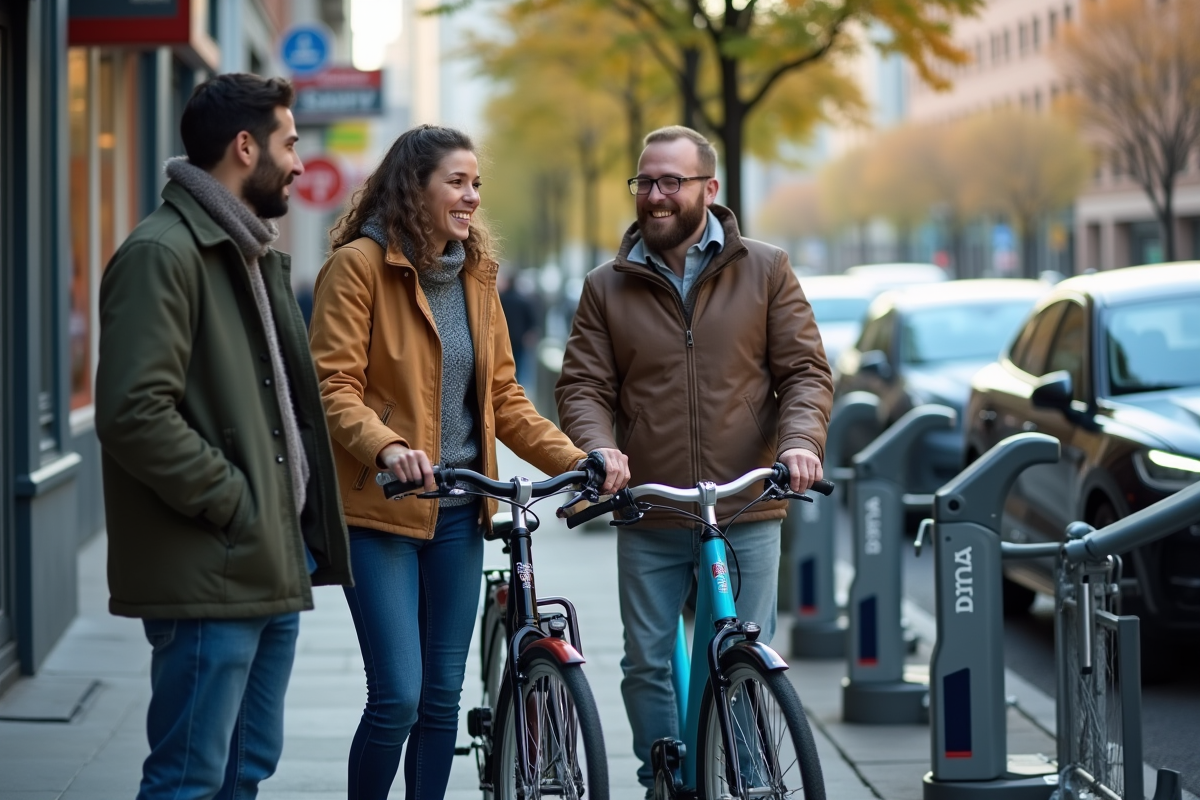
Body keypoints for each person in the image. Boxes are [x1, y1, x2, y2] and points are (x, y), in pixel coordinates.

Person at [307, 124, 628, 800]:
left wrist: (582, 458)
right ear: (413, 187)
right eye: (457, 181)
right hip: (380, 511)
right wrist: (389, 447)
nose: (472, 196)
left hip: (456, 515)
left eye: (476, 183)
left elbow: (505, 399)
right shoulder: (359, 266)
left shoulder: (476, 276)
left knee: (441, 698)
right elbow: (330, 387)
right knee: (397, 694)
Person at [554, 125, 834, 796]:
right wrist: (599, 447)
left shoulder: (766, 269)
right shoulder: (606, 285)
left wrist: (799, 444)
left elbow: (805, 373)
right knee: (647, 661)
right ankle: (667, 777)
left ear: (709, 189)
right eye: (645, 181)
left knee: (736, 651)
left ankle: (741, 776)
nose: (654, 195)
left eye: (670, 182)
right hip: (649, 503)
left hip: (744, 501)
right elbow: (583, 386)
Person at [94, 73, 352, 800]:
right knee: (188, 779)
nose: (300, 162)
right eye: (290, 143)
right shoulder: (164, 253)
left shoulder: (246, 252)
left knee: (243, 773)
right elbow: (133, 412)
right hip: (213, 568)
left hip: (267, 562)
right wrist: (235, 500)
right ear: (246, 147)